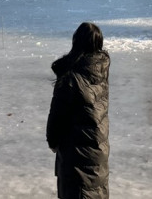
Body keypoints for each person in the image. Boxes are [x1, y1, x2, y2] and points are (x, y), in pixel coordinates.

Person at [46, 22, 110, 199]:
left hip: (76, 160)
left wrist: (53, 142)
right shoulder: (100, 71)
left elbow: (55, 120)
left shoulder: (71, 78)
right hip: (98, 155)